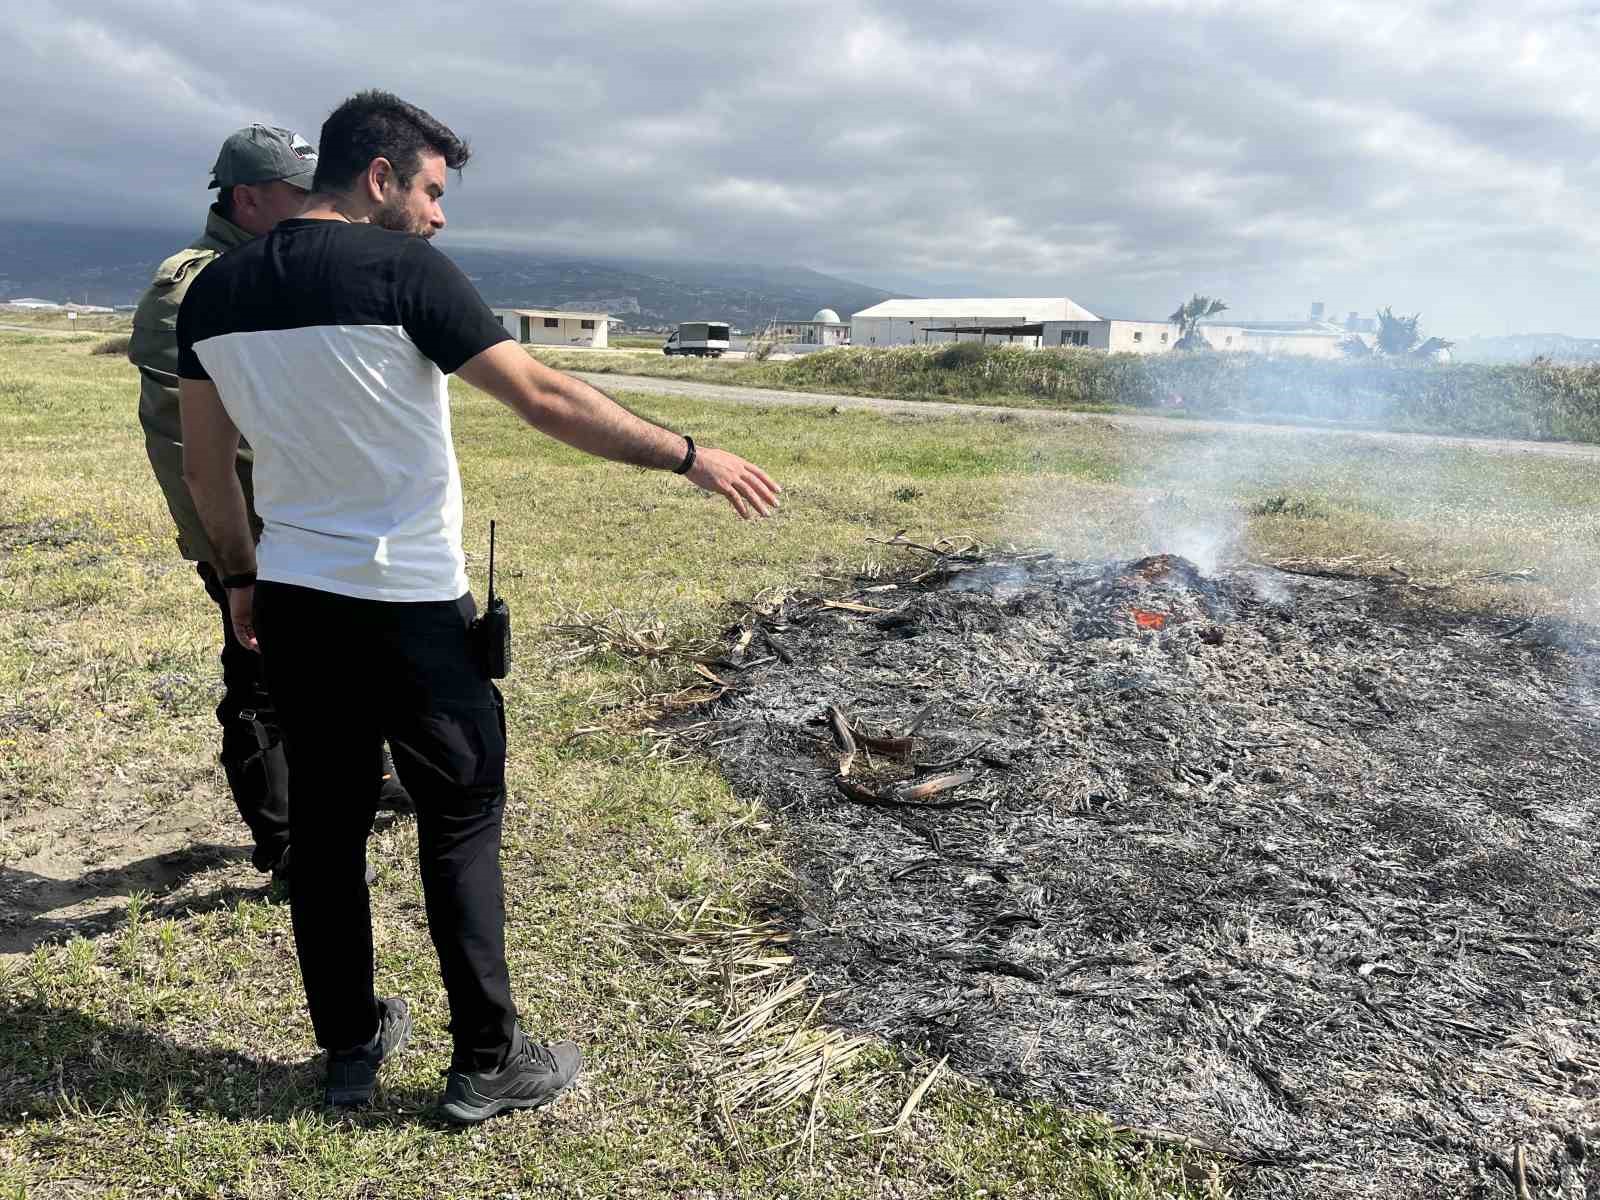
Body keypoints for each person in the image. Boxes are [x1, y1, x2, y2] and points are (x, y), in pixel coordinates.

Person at [175, 91, 780, 1119]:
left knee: (324, 833)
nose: (441, 215)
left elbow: (204, 465)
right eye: (432, 190)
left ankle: (350, 1049)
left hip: (297, 604)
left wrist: (240, 578)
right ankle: (486, 1062)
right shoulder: (403, 269)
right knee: (458, 822)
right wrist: (687, 454)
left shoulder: (214, 294)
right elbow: (543, 397)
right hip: (411, 606)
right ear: (379, 179)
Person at [130, 125, 413, 889]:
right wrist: (237, 552)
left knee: (348, 658)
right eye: (296, 195)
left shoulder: (269, 268)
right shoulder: (191, 285)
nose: (312, 209)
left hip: (313, 514)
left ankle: (366, 778)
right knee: (261, 678)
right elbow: (192, 442)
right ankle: (283, 839)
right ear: (248, 198)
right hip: (250, 525)